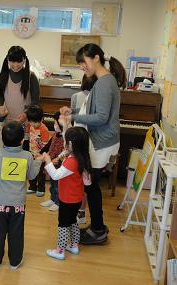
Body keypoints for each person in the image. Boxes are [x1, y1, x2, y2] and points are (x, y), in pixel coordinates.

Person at [60, 43, 127, 245]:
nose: (82, 67)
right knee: (92, 186)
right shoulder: (103, 81)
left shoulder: (105, 82)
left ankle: (98, 230)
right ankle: (97, 227)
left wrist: (75, 115)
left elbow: (101, 117)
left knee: (91, 187)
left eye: (83, 62)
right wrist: (75, 114)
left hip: (102, 142)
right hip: (101, 141)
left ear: (96, 57)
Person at [0, 121, 43, 269]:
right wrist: (38, 161)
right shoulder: (27, 156)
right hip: (18, 205)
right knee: (16, 233)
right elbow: (32, 176)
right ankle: (15, 261)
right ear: (21, 140)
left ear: (3, 139)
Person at [44, 127, 92, 260]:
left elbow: (55, 175)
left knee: (63, 224)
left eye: (66, 143)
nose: (65, 145)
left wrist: (48, 160)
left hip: (67, 199)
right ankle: (74, 245)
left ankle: (60, 251)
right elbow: (87, 183)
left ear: (71, 145)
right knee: (73, 221)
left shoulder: (72, 162)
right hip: (76, 198)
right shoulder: (81, 158)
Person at [0, 46, 40, 151]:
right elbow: (0, 96)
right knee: (9, 152)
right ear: (8, 60)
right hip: (9, 122)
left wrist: (26, 114)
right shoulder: (3, 75)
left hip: (27, 123)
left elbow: (35, 100)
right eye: (12, 61)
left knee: (25, 152)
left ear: (24, 60)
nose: (15, 65)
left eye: (19, 61)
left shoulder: (31, 77)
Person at [70, 74, 98, 224]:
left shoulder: (75, 96)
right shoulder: (98, 98)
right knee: (86, 177)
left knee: (77, 177)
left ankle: (75, 208)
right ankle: (82, 212)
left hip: (78, 138)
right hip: (91, 142)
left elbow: (73, 116)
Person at [40, 112, 64, 212]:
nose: (54, 125)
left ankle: (58, 202)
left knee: (58, 184)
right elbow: (50, 145)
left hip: (59, 162)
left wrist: (57, 159)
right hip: (52, 161)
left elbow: (65, 151)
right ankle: (53, 199)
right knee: (53, 183)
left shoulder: (65, 137)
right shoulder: (55, 134)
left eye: (56, 123)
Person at [25, 105, 50, 197]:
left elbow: (45, 145)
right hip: (31, 153)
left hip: (40, 155)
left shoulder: (44, 129)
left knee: (40, 173)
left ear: (41, 119)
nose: (33, 124)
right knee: (31, 171)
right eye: (31, 122)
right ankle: (32, 187)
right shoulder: (30, 126)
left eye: (35, 122)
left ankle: (41, 188)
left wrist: (40, 155)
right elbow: (27, 138)